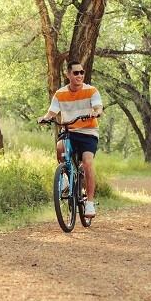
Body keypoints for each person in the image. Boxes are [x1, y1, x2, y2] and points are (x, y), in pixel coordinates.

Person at [39, 60, 103, 218]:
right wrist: (45, 118)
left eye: (82, 72)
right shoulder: (60, 93)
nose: (80, 75)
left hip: (88, 132)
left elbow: (98, 106)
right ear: (68, 75)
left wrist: (96, 112)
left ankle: (89, 203)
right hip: (69, 130)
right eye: (76, 73)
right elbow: (52, 112)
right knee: (60, 148)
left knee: (87, 162)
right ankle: (66, 178)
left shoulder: (91, 90)